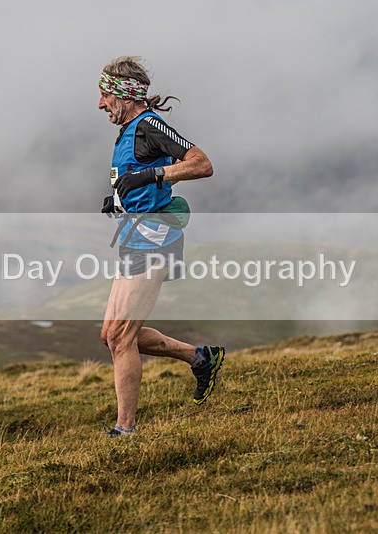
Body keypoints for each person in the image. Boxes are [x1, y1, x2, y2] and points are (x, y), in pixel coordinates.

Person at [97, 56, 225, 437]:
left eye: (105, 94)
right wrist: (122, 199)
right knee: (111, 335)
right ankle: (199, 357)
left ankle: (126, 430)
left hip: (156, 235)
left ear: (124, 94)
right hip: (135, 231)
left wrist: (154, 174)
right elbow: (144, 178)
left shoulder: (150, 125)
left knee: (121, 338)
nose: (101, 104)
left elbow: (201, 164)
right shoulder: (128, 132)